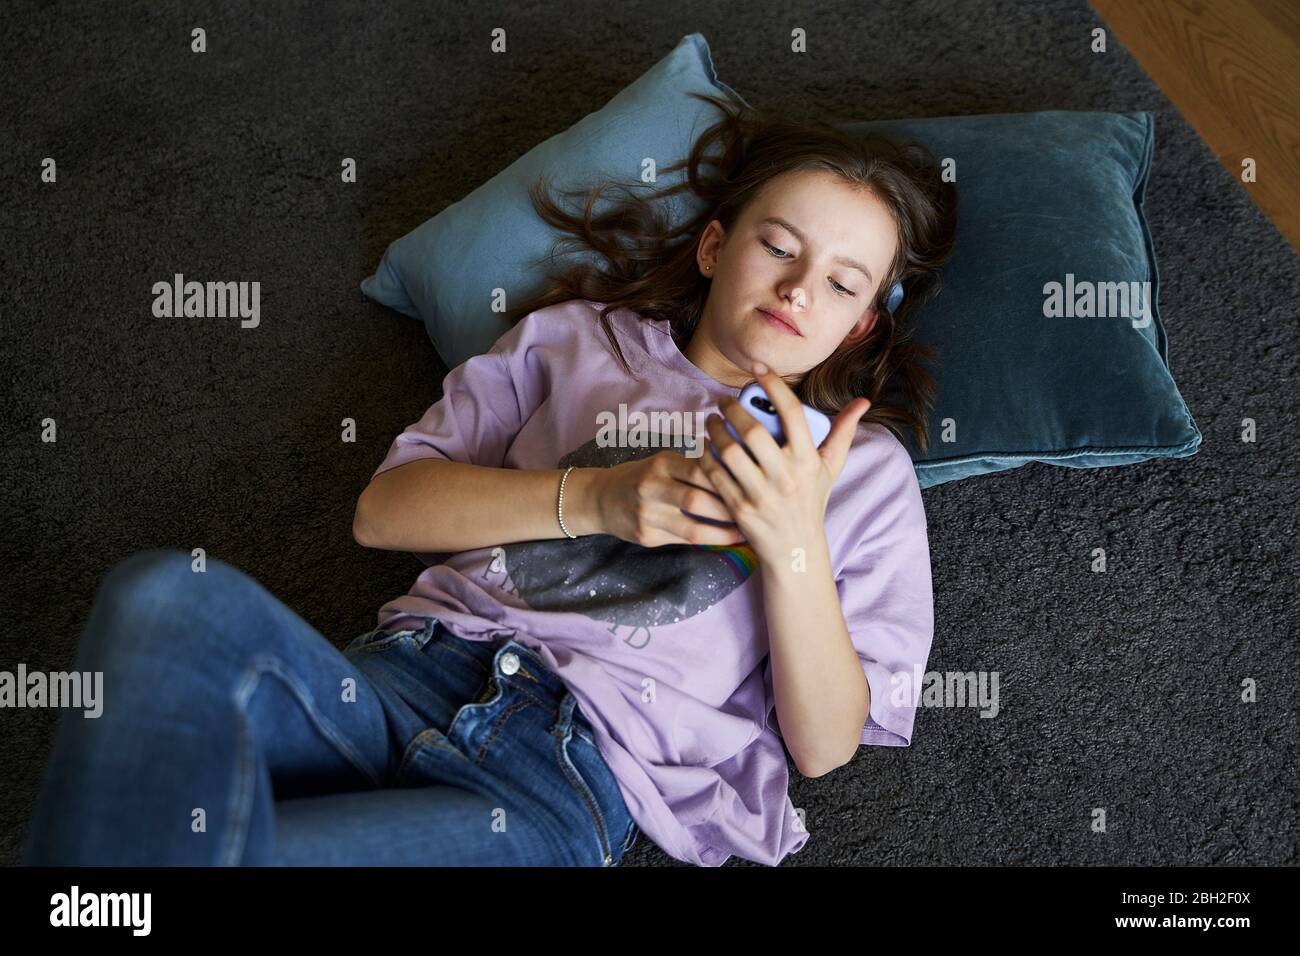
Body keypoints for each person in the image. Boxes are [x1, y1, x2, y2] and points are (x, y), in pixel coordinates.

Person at [22, 89, 957, 867]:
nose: (799, 288)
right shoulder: (575, 339)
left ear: (864, 325)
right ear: (716, 247)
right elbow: (382, 513)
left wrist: (792, 544)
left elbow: (827, 745)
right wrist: (602, 495)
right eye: (779, 244)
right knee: (159, 593)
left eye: (844, 283)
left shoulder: (863, 472)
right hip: (406, 678)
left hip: (566, 772)